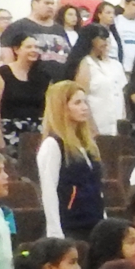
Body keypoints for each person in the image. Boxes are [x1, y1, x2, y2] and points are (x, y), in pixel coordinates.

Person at [35, 81, 104, 240]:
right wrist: (55, 232)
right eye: (77, 103)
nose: (84, 107)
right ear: (62, 107)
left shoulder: (87, 145)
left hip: (94, 223)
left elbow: (97, 187)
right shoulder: (53, 145)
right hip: (70, 226)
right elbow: (49, 191)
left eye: (85, 102)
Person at [0, 32, 50, 156]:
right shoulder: (2, 73)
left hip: (37, 130)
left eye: (36, 47)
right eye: (29, 47)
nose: (34, 50)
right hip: (10, 130)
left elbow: (49, 108)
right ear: (16, 49)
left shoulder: (44, 76)